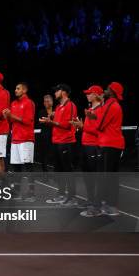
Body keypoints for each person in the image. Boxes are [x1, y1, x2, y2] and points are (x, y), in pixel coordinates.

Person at [42, 84, 78, 206]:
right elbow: (56, 122)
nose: (55, 93)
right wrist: (50, 119)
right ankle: (61, 194)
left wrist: (51, 121)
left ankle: (72, 197)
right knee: (59, 170)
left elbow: (68, 125)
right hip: (57, 142)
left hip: (66, 142)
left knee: (68, 170)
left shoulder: (71, 105)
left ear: (63, 92)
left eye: (57, 91)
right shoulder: (58, 107)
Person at [92, 82, 125, 216]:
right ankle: (109, 204)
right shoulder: (110, 104)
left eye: (107, 89)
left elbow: (99, 125)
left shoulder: (110, 105)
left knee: (106, 176)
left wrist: (92, 116)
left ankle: (106, 206)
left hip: (110, 144)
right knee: (109, 176)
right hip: (111, 144)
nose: (104, 90)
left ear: (111, 91)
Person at [70, 85, 103, 216]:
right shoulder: (90, 109)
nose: (87, 95)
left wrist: (82, 126)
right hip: (85, 145)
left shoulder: (101, 110)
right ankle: (90, 200)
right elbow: (88, 128)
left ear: (96, 95)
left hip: (94, 146)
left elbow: (98, 130)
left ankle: (97, 205)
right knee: (87, 176)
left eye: (89, 93)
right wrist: (79, 126)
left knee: (95, 177)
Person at [3, 82, 36, 201]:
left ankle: (31, 194)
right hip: (15, 139)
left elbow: (28, 121)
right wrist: (7, 115)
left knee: (28, 166)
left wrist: (11, 115)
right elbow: (11, 121)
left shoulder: (29, 103)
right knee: (16, 167)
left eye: (18, 88)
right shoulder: (13, 103)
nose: (15, 90)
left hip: (26, 139)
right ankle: (17, 192)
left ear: (24, 90)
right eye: (15, 88)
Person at [36, 94, 55, 173]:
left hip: (54, 136)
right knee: (44, 155)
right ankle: (45, 173)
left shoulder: (56, 111)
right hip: (44, 136)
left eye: (48, 101)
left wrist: (49, 120)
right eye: (45, 101)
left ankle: (56, 172)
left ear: (52, 102)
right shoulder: (41, 112)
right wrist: (50, 120)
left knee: (54, 155)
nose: (46, 103)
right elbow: (41, 122)